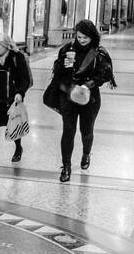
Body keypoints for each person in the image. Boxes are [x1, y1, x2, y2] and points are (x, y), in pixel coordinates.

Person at [46, 20, 116, 183]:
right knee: (68, 131)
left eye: (85, 37)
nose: (82, 40)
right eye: (79, 37)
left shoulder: (99, 53)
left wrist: (88, 84)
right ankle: (66, 166)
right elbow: (57, 72)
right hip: (68, 96)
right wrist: (63, 66)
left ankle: (86, 154)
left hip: (89, 98)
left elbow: (105, 75)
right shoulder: (67, 49)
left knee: (86, 131)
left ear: (92, 36)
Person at [0, 38, 32, 172]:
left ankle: (18, 148)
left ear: (6, 46)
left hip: (12, 101)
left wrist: (20, 93)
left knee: (14, 127)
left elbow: (25, 79)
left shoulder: (16, 58)